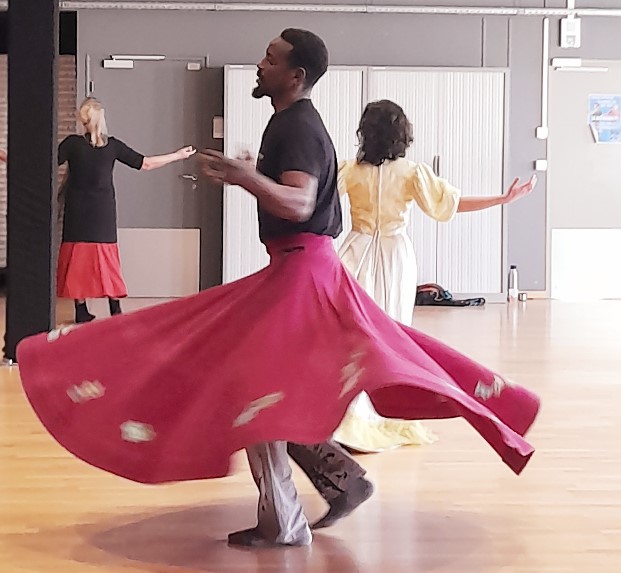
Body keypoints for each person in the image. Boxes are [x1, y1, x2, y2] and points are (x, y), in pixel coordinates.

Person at [16, 29, 539, 550]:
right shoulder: (290, 123)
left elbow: (299, 202)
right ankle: (340, 480)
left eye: (271, 58)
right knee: (267, 387)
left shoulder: (298, 127)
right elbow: (297, 196)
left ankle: (285, 519)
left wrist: (244, 176)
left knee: (252, 386)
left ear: (296, 75)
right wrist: (249, 173)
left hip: (303, 272)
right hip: (301, 268)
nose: (260, 64)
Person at [333, 100, 537, 453]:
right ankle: (383, 409)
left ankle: (347, 412)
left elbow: (313, 200)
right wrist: (502, 200)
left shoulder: (349, 170)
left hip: (355, 252)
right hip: (394, 256)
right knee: (392, 333)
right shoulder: (411, 173)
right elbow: (451, 204)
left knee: (353, 334)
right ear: (402, 134)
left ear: (365, 132)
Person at [57, 97, 195, 323]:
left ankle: (81, 309)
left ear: (82, 120)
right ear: (102, 119)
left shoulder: (71, 144)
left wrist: (10, 158)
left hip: (77, 212)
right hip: (102, 212)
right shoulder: (112, 146)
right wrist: (178, 155)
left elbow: (43, 164)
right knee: (106, 259)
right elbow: (146, 163)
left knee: (78, 259)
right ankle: (115, 309)